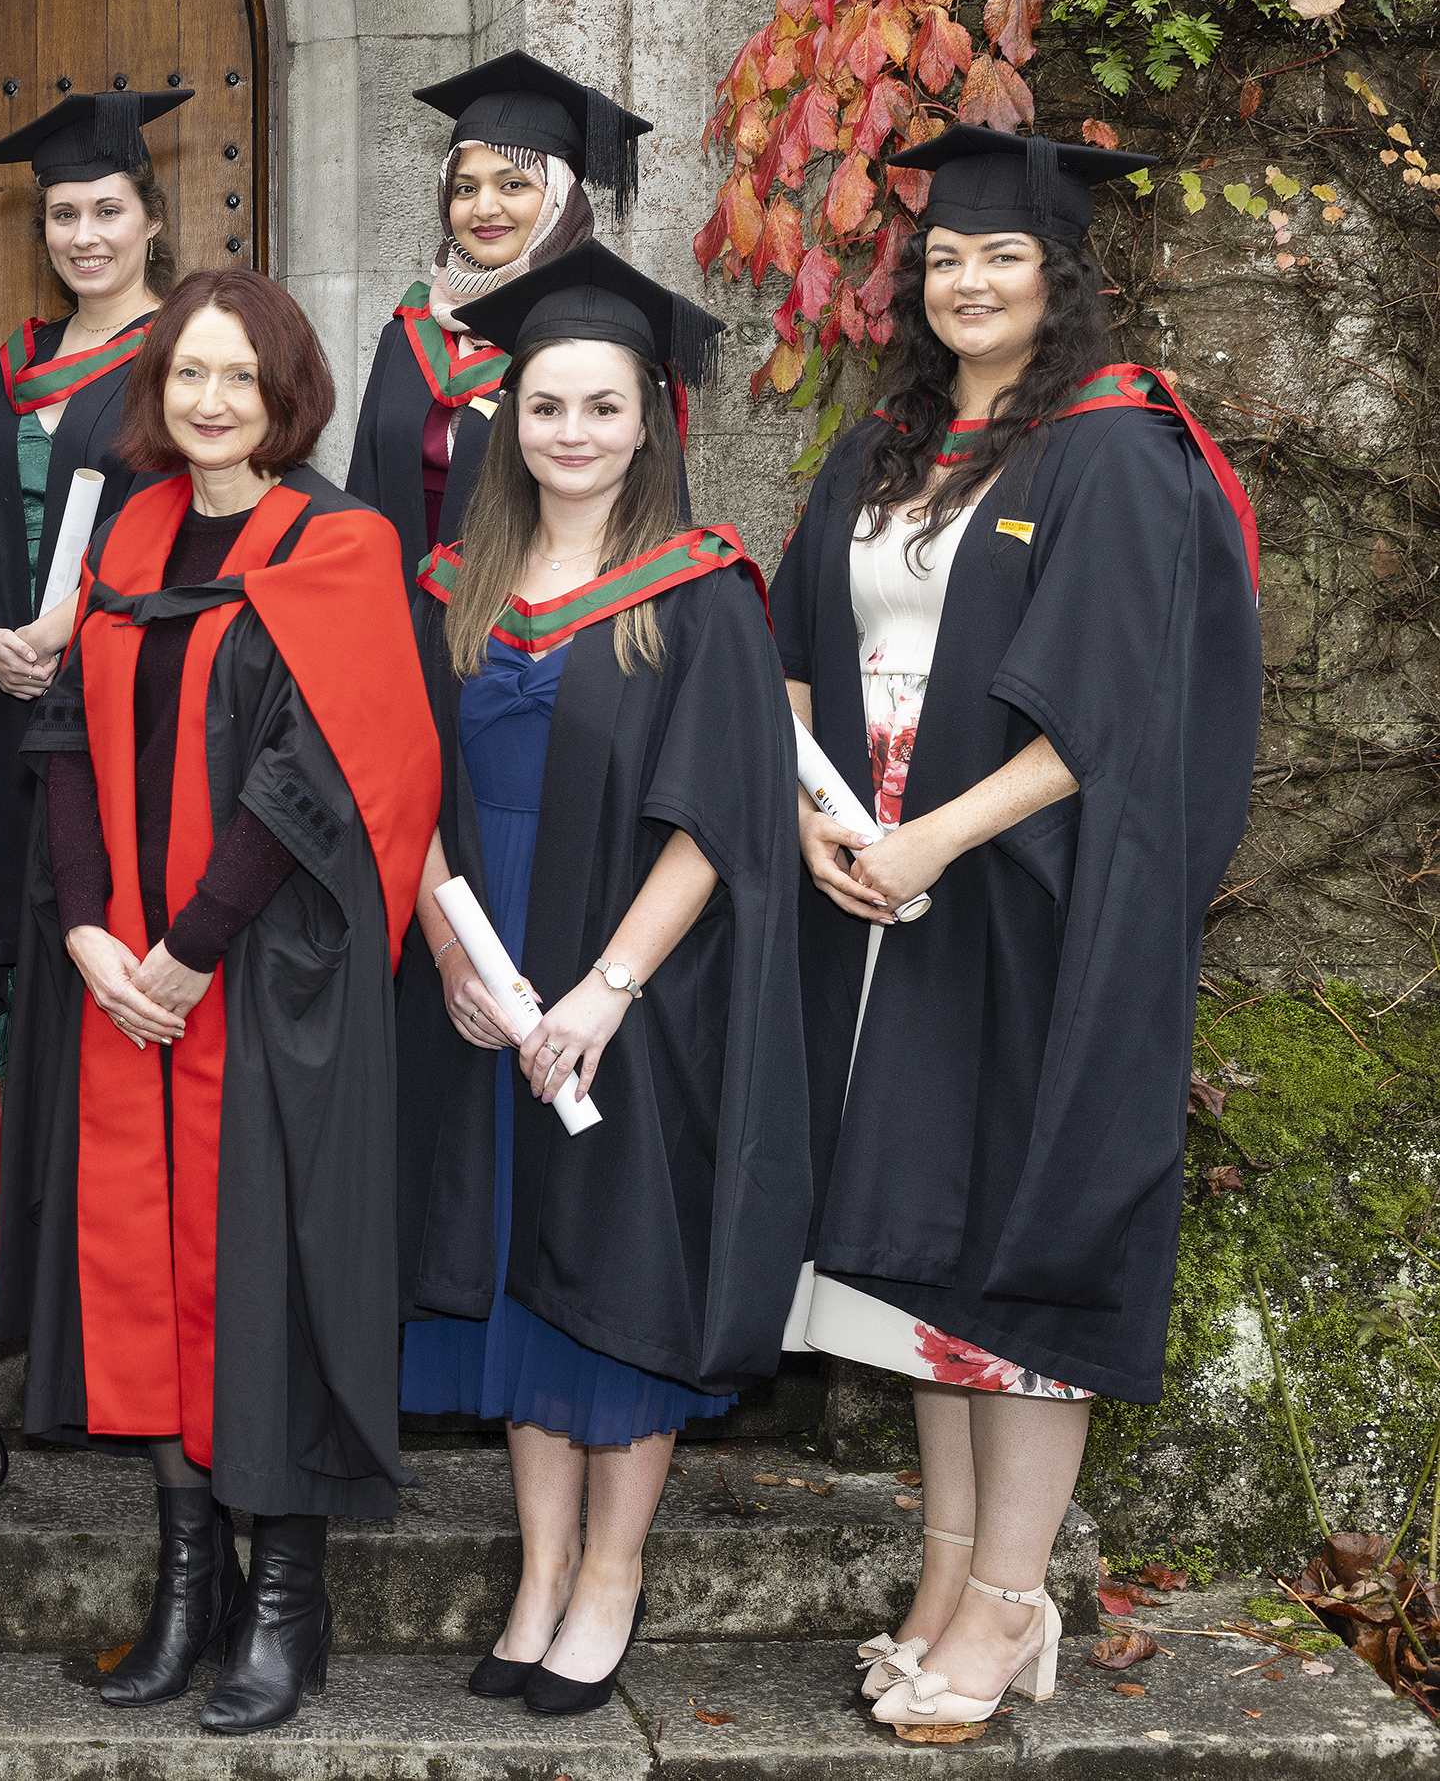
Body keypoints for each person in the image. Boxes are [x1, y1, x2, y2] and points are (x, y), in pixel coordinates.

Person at [775, 127, 1260, 1738]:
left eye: (1001, 256)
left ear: (1060, 274)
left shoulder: (1113, 448)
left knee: (1019, 1254)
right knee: (921, 1254)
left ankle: (1006, 1603)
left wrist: (928, 835)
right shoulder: (885, 446)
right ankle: (945, 1576)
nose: (967, 280)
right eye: (943, 258)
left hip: (1025, 899)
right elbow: (784, 658)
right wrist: (818, 820)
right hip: (876, 896)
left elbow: (1105, 712)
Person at [0, 270, 444, 1737]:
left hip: (267, 979)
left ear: (284, 394)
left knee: (264, 1269)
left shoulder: (336, 540)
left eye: (236, 379)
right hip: (124, 976)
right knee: (152, 1273)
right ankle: (188, 1581)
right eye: (188, 372)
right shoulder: (124, 533)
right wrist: (80, 926)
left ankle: (283, 1599)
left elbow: (317, 771)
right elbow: (62, 737)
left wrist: (188, 944)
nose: (207, 400)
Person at [396, 244, 808, 1718]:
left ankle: (613, 1574)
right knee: (518, 1263)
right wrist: (452, 951)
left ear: (652, 422)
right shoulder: (454, 585)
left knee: (615, 1269)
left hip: (629, 983)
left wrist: (605, 990)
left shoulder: (698, 594)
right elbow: (405, 791)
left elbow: (724, 817)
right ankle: (538, 1565)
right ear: (506, 417)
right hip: (488, 966)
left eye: (603, 407)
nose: (572, 431)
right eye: (547, 405)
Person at [0, 88, 189, 981]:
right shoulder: (19, 359)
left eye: (107, 211)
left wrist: (61, 628)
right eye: (63, 214)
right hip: (2, 680)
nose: (84, 235)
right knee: (3, 912)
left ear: (152, 220)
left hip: (118, 675)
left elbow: (181, 527)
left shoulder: (185, 357)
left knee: (96, 898)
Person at [344, 53, 650, 574]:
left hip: (539, 619)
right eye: (465, 188)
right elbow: (364, 493)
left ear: (559, 199)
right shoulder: (409, 331)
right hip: (401, 611)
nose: (483, 208)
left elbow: (646, 509)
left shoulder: (606, 339)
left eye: (513, 185)